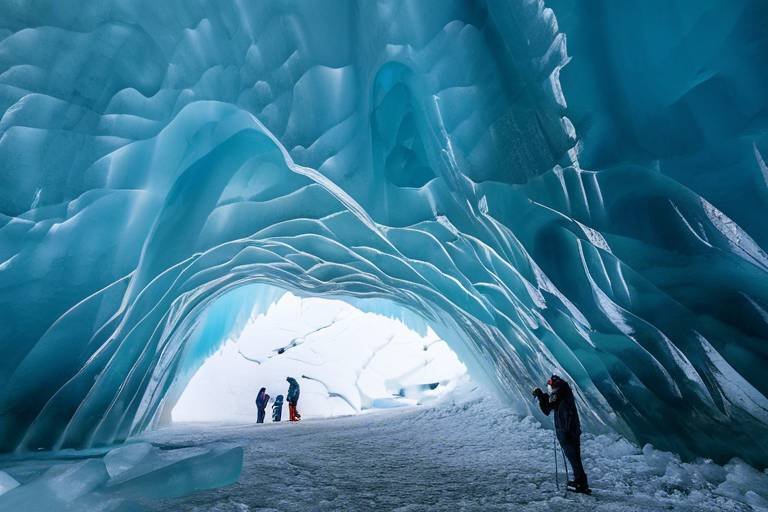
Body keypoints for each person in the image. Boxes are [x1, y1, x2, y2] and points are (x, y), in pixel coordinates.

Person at [533, 375, 590, 494]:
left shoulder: (560, 391)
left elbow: (547, 409)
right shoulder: (564, 392)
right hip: (572, 429)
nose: (550, 388)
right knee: (575, 457)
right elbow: (551, 404)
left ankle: (581, 483)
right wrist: (543, 396)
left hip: (566, 430)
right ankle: (580, 481)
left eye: (550, 385)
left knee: (573, 457)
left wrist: (540, 395)